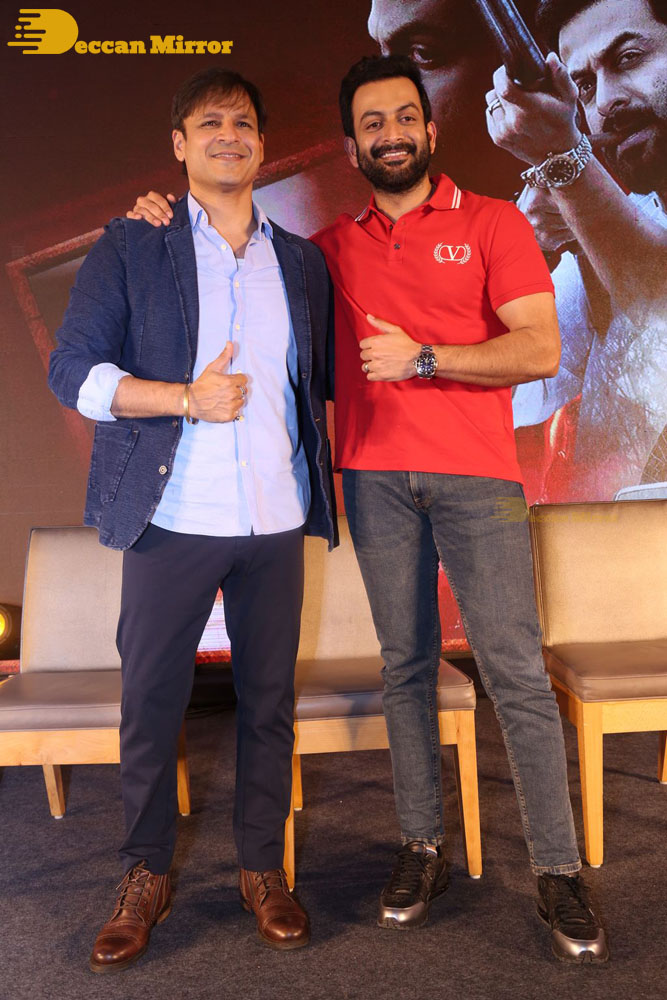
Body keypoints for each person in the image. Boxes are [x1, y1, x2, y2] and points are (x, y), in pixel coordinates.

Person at [127, 55, 609, 963]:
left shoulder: (494, 222)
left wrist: (425, 357)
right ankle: (421, 848)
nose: (390, 134)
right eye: (371, 123)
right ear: (351, 146)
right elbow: (241, 285)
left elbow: (539, 348)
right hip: (373, 482)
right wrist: (160, 216)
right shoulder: (323, 251)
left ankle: (557, 871)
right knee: (405, 669)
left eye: (403, 117)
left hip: (477, 481)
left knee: (512, 671)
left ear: (429, 129)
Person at [48, 67, 336, 971]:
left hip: (275, 517)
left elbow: (311, 388)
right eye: (208, 123)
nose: (227, 136)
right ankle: (145, 873)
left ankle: (262, 868)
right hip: (171, 514)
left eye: (242, 123)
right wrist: (182, 397)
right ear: (178, 145)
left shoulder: (300, 261)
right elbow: (72, 372)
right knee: (151, 705)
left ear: (262, 143)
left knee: (269, 704)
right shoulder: (134, 243)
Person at [486, 0, 667, 499]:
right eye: (585, 86)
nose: (606, 101)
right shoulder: (605, 243)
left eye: (628, 59)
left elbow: (658, 304)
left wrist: (561, 157)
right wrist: (526, 245)